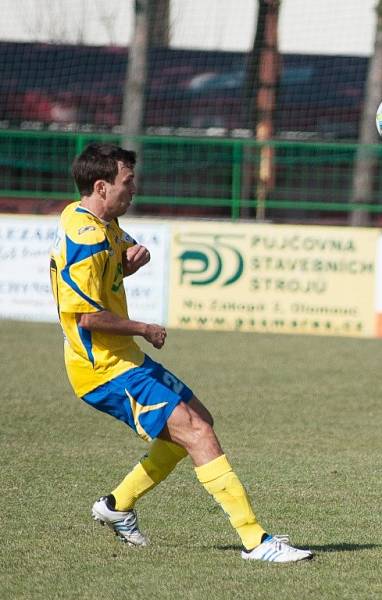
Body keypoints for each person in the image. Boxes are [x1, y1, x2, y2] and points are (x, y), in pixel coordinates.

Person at [49, 143, 312, 563]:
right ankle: (255, 541)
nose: (134, 190)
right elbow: (86, 318)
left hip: (122, 359)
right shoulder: (87, 239)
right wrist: (145, 328)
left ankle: (116, 506)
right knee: (197, 432)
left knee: (196, 424)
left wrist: (129, 263)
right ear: (101, 186)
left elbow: (115, 259)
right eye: (127, 182)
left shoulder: (88, 217)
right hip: (102, 368)